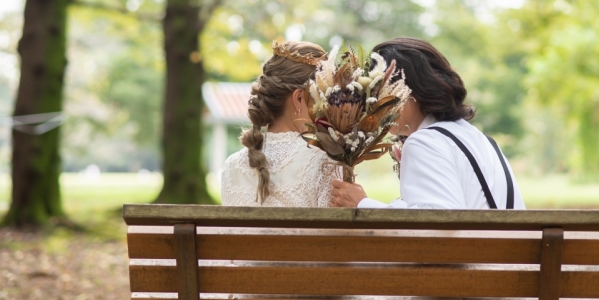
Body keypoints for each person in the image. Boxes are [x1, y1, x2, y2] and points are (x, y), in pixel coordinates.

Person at [330, 37, 525, 210]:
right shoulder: (481, 140)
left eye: (378, 93)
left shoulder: (425, 142)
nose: (373, 106)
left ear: (409, 91)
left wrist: (363, 205)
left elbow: (437, 223)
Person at [221, 40, 339, 207]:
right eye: (323, 97)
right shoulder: (326, 162)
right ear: (299, 98)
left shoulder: (231, 166)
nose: (328, 108)